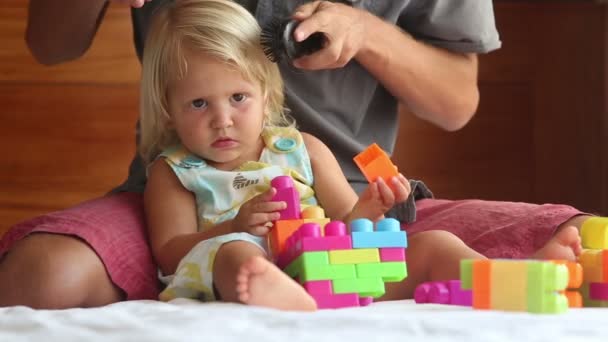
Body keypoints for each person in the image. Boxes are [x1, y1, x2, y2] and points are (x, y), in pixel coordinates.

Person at [0, 0, 589, 309]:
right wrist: (233, 225)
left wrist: (376, 207)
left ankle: (505, 277)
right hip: (242, 259)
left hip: (325, 266)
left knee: (432, 246)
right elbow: (172, 250)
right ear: (168, 109)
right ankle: (274, 299)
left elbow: (345, 217)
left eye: (237, 99)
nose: (223, 119)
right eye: (199, 104)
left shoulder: (301, 149)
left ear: (265, 94)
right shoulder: (175, 171)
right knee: (232, 255)